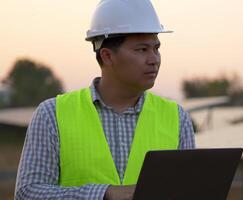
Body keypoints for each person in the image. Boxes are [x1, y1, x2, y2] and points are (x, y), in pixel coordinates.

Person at [15, 0, 195, 199]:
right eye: (142, 50)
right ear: (107, 56)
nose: (154, 59)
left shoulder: (177, 118)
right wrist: (103, 194)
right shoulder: (51, 114)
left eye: (156, 48)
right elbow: (27, 193)